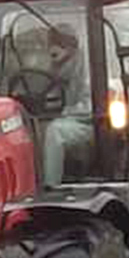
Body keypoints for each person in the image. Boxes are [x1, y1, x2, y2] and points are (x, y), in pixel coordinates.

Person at [42, 24, 93, 187]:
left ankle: (50, 187)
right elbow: (48, 95)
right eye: (51, 43)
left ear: (71, 47)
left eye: (59, 43)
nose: (53, 48)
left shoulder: (88, 68)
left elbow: (91, 107)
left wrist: (65, 112)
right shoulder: (55, 68)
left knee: (55, 131)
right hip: (66, 118)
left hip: (90, 124)